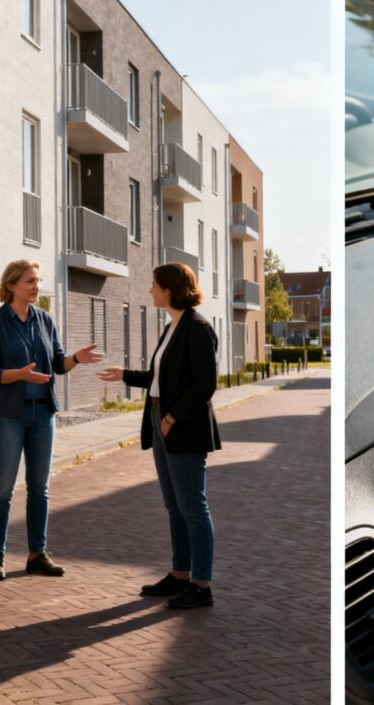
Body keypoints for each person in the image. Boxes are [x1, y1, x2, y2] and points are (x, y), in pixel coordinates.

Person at [98, 261, 220, 609]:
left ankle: (202, 585)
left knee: (193, 507)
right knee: (174, 507)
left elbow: (205, 384)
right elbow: (159, 376)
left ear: (169, 289)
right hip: (158, 417)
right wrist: (125, 374)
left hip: (180, 424)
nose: (150, 290)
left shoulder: (197, 327)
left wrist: (171, 416)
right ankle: (180, 575)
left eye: (154, 285)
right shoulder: (172, 326)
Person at [0, 259, 101, 580]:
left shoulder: (45, 320)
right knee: (3, 488)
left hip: (42, 413)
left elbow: (57, 364)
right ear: (12, 285)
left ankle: (37, 554)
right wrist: (19, 375)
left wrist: (76, 359)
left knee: (39, 488)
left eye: (38, 280)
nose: (36, 286)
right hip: (8, 416)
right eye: (30, 281)